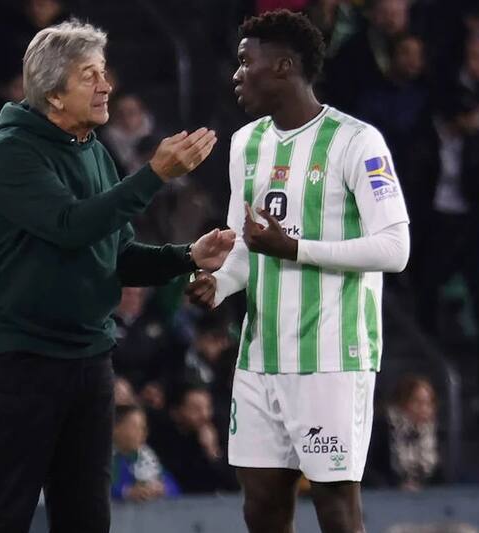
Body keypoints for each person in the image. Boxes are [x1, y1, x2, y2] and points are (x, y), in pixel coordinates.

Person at [0, 19, 231, 533]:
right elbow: (69, 227)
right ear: (53, 92)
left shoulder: (92, 149)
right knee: (6, 513)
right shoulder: (9, 152)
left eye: (104, 72)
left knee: (87, 517)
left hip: (89, 358)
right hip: (24, 359)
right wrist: (154, 174)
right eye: (90, 75)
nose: (106, 84)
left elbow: (118, 253)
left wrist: (187, 256)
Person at [187, 10, 409, 532]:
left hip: (331, 357)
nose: (237, 74)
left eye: (247, 62)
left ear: (284, 66)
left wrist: (297, 249)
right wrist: (218, 285)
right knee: (261, 505)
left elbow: (395, 248)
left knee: (335, 505)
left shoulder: (357, 142)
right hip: (261, 355)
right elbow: (246, 246)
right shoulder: (246, 144)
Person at [366, 375, 441, 490]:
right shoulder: (383, 429)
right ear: (402, 402)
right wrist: (397, 487)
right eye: (417, 402)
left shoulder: (434, 434)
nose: (424, 408)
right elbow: (371, 472)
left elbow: (441, 476)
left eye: (428, 403)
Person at [111, 404, 178, 502]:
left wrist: (162, 489)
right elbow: (94, 487)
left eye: (143, 428)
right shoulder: (101, 458)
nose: (143, 433)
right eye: (135, 427)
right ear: (115, 429)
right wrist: (126, 493)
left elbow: (174, 487)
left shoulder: (145, 456)